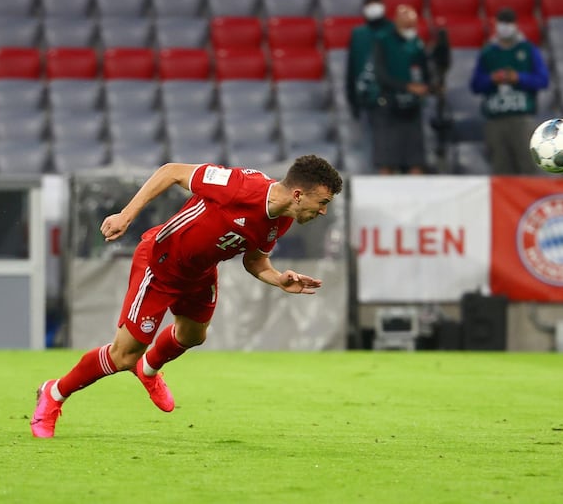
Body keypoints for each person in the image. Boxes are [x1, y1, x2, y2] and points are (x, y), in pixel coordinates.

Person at [30, 155, 343, 438]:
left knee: (194, 335)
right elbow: (172, 173)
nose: (324, 210)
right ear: (299, 194)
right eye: (323, 201)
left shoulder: (282, 218)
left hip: (200, 273)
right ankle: (54, 393)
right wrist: (126, 215)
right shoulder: (240, 186)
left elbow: (255, 261)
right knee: (124, 356)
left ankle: (149, 369)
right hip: (160, 264)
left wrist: (278, 279)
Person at [469, 7, 549, 175]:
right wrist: (491, 79)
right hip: (495, 119)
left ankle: (529, 201)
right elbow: (475, 85)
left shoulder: (528, 50)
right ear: (496, 25)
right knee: (500, 169)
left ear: (515, 25)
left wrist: (519, 78)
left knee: (528, 166)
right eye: (502, 22)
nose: (505, 27)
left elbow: (543, 80)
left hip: (521, 117)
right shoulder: (488, 52)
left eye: (508, 22)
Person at [370, 4, 432, 175]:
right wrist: (406, 86)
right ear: (396, 21)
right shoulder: (383, 40)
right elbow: (380, 75)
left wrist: (426, 86)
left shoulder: (417, 43)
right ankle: (384, 200)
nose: (410, 29)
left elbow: (425, 71)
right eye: (407, 25)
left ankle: (417, 200)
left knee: (415, 159)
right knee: (387, 159)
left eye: (412, 25)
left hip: (412, 107)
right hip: (388, 105)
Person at [345, 0, 394, 173]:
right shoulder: (358, 34)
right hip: (366, 100)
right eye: (369, 5)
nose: (373, 8)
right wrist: (352, 99)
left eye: (376, 4)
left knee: (393, 147)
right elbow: (351, 69)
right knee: (371, 148)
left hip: (392, 99)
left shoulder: (392, 31)